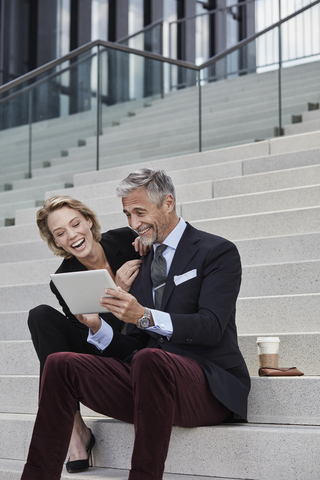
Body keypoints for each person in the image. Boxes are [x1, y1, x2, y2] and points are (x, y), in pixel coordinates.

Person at [21, 169, 251, 480]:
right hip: (148, 382)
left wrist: (142, 315)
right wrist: (97, 326)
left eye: (140, 212)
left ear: (168, 203)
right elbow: (132, 346)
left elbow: (211, 326)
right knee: (61, 364)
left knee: (149, 359)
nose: (133, 224)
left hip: (207, 384)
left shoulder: (216, 251)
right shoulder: (138, 263)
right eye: (127, 214)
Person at [27, 195, 145, 473]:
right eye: (60, 233)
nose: (72, 235)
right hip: (99, 349)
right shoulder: (64, 279)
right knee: (40, 316)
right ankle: (75, 430)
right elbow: (94, 336)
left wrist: (150, 244)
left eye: (75, 223)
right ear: (56, 242)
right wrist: (117, 292)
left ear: (89, 221)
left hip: (140, 341)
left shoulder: (127, 240)